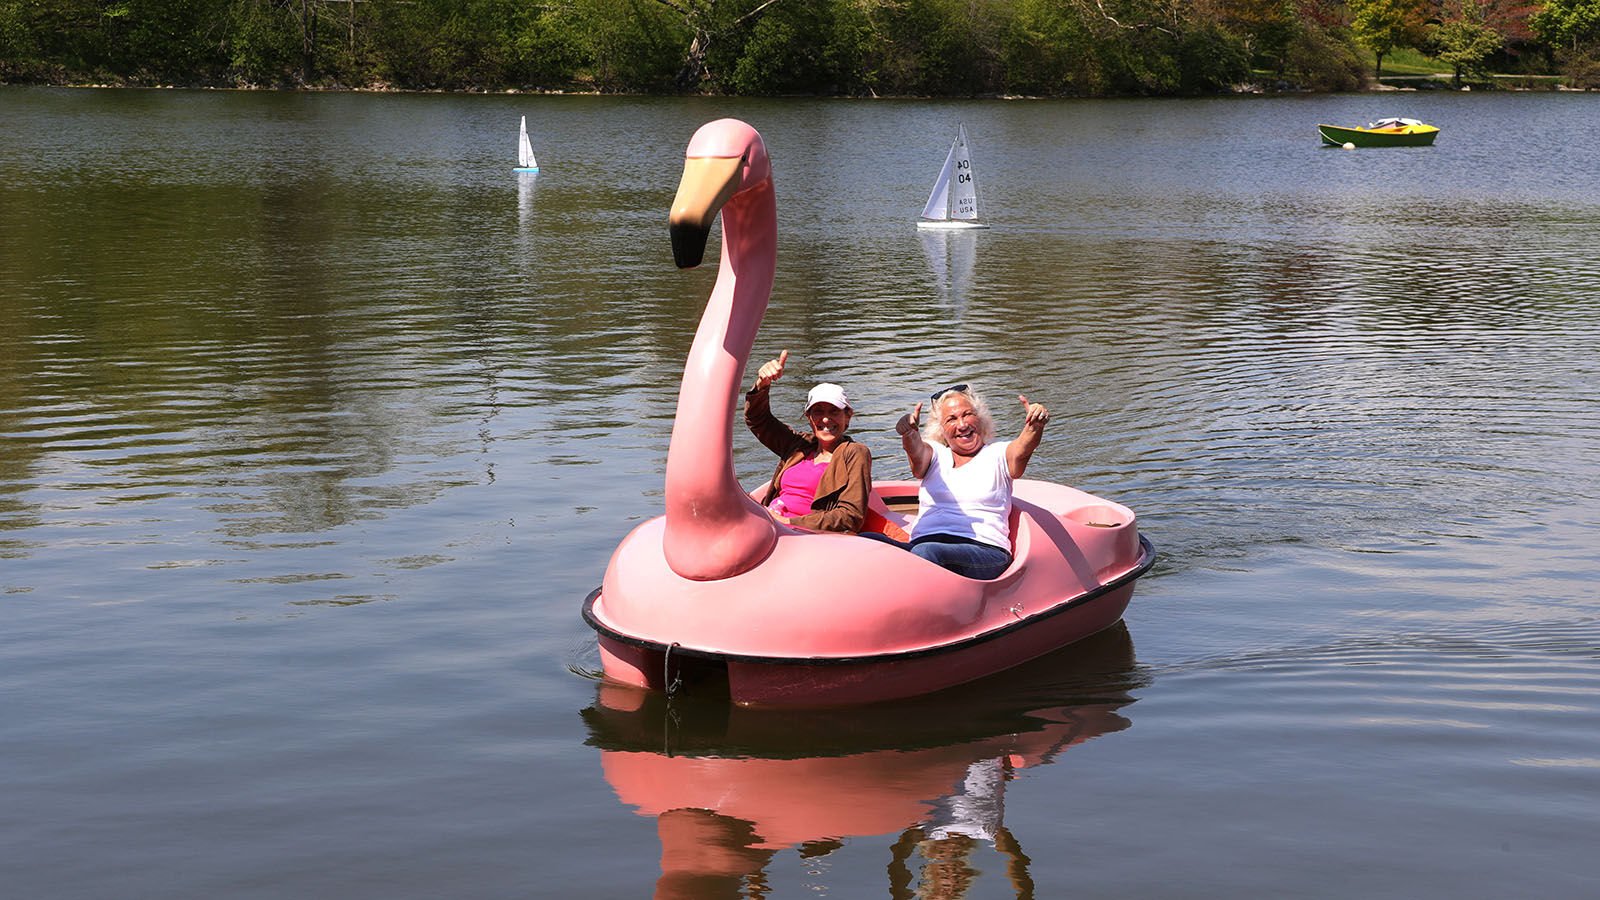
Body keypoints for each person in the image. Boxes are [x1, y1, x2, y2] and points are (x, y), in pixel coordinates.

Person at [870, 384, 1049, 580]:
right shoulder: (936, 455)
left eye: (967, 414)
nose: (962, 424)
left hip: (983, 550)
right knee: (868, 541)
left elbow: (1022, 448)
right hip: (923, 547)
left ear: (980, 419)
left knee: (926, 553)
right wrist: (909, 434)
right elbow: (917, 452)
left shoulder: (998, 454)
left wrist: (1035, 425)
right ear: (942, 429)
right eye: (952, 419)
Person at [744, 349, 872, 533]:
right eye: (818, 411)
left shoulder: (854, 453)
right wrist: (762, 384)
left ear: (848, 417)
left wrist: (788, 522)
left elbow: (850, 517)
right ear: (809, 417)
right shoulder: (799, 445)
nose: (826, 419)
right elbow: (758, 419)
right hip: (769, 525)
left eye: (834, 411)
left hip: (803, 537)